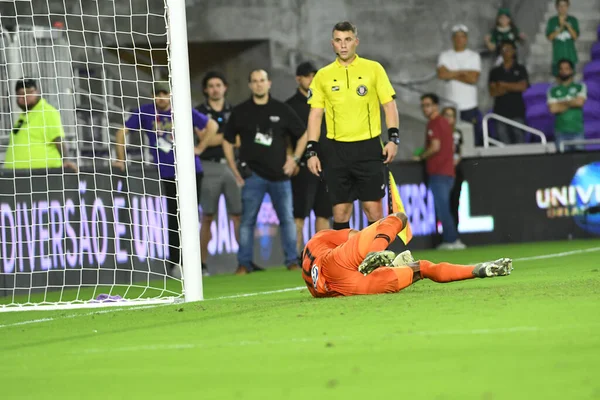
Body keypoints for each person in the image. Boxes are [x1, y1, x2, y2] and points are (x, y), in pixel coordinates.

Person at [114, 82, 218, 276]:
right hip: (168, 171)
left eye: (164, 93)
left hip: (191, 169)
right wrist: (121, 158)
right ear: (152, 95)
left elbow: (212, 125)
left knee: (191, 216)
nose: (160, 98)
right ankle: (175, 264)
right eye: (156, 94)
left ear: (170, 94)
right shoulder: (145, 112)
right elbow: (121, 132)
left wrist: (201, 148)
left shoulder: (182, 109)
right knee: (173, 217)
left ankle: (196, 263)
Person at [305, 21, 400, 231]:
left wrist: (393, 139)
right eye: (338, 41)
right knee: (340, 212)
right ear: (332, 45)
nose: (343, 45)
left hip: (368, 147)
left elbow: (389, 105)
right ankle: (343, 263)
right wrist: (311, 150)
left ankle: (376, 261)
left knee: (374, 210)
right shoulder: (322, 75)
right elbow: (315, 114)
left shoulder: (373, 69)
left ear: (356, 41)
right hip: (336, 150)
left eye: (348, 39)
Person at [301, 212, 512, 298]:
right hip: (336, 264)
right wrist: (375, 249)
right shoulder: (321, 238)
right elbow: (355, 236)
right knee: (398, 218)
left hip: (340, 288)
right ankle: (476, 270)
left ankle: (479, 270)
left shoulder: (313, 256)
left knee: (417, 269)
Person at [223, 69, 308, 275]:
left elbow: (303, 134)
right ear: (250, 85)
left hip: (281, 175)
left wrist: (295, 159)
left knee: (287, 219)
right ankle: (244, 263)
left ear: (269, 83)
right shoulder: (241, 111)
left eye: (262, 80)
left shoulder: (282, 109)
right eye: (254, 81)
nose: (259, 84)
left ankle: (292, 260)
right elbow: (227, 139)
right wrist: (234, 169)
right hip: (253, 175)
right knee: (247, 221)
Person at [195, 71, 242, 276]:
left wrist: (214, 136)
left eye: (218, 85)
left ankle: (244, 262)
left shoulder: (235, 110)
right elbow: (205, 140)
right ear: (206, 89)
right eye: (211, 85)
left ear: (225, 87)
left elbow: (241, 139)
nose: (215, 89)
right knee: (207, 216)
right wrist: (227, 137)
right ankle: (201, 264)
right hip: (209, 165)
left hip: (233, 166)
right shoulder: (198, 111)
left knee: (238, 215)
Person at [285, 61, 332, 258]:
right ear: (298, 79)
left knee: (323, 212)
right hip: (303, 165)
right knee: (299, 214)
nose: (311, 79)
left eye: (314, 75)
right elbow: (285, 137)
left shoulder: (325, 101)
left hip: (326, 163)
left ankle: (322, 255)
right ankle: (296, 256)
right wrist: (291, 159)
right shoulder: (290, 105)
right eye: (307, 76)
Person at [416, 93, 465, 250]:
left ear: (436, 106)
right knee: (446, 207)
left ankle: (451, 240)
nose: (425, 108)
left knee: (442, 208)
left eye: (428, 105)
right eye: (423, 105)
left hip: (439, 172)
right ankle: (452, 239)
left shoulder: (434, 123)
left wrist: (421, 156)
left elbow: (435, 146)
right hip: (448, 172)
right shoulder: (445, 123)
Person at [4, 78, 77, 171]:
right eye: (21, 94)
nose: (25, 96)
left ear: (37, 92)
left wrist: (66, 160)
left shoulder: (47, 112)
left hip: (41, 175)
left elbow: (58, 139)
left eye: (29, 92)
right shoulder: (22, 118)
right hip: (18, 175)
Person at [437, 24, 483, 146]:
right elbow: (442, 74)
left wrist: (451, 73)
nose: (459, 39)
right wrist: (463, 72)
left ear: (466, 39)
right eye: (456, 37)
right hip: (450, 107)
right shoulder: (445, 55)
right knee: (451, 141)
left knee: (472, 140)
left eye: (462, 37)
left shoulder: (474, 56)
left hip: (469, 106)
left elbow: (473, 79)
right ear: (452, 38)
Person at [488, 41, 530, 144]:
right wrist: (513, 86)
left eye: (509, 49)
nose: (506, 52)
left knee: (519, 138)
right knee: (502, 141)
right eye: (503, 50)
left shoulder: (520, 69)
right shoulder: (495, 71)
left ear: (514, 51)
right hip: (500, 111)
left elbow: (523, 87)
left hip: (517, 111)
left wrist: (503, 85)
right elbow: (493, 92)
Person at [547, 59, 587, 152]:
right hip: (560, 131)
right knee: (563, 163)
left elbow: (580, 102)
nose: (564, 71)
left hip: (577, 130)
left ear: (572, 70)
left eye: (566, 68)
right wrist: (571, 101)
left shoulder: (580, 86)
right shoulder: (552, 90)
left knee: (580, 161)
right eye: (561, 69)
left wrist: (561, 102)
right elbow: (553, 109)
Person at [442, 106, 463, 231]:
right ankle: (447, 233)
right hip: (443, 170)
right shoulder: (440, 131)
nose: (448, 118)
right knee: (444, 204)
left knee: (454, 202)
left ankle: (454, 232)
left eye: (451, 115)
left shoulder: (457, 133)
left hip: (455, 170)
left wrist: (454, 162)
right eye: (446, 115)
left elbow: (459, 151)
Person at [546, 0, 580, 78]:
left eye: (564, 5)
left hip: (570, 55)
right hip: (557, 55)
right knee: (557, 78)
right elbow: (550, 37)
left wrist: (567, 26)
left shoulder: (573, 20)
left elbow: (575, 36)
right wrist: (560, 28)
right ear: (556, 7)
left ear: (568, 6)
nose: (562, 8)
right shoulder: (552, 21)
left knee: (571, 78)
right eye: (560, 6)